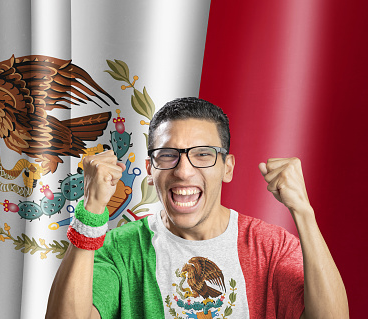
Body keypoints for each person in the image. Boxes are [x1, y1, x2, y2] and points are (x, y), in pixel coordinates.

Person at [46, 97, 348, 319]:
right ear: (151, 169)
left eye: (203, 154)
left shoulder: (270, 247)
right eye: (168, 155)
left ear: (227, 168)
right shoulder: (120, 249)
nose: (183, 171)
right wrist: (92, 210)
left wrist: (304, 213)